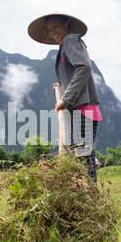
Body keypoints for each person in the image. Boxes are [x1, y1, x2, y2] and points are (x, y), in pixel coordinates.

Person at [28, 13, 102, 182]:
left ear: (65, 24)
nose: (53, 32)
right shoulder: (65, 46)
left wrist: (65, 98)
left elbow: (83, 68)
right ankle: (88, 200)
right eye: (49, 30)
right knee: (81, 157)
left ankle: (91, 202)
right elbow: (73, 73)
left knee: (83, 160)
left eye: (56, 26)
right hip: (79, 111)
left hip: (83, 110)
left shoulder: (70, 41)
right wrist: (60, 87)